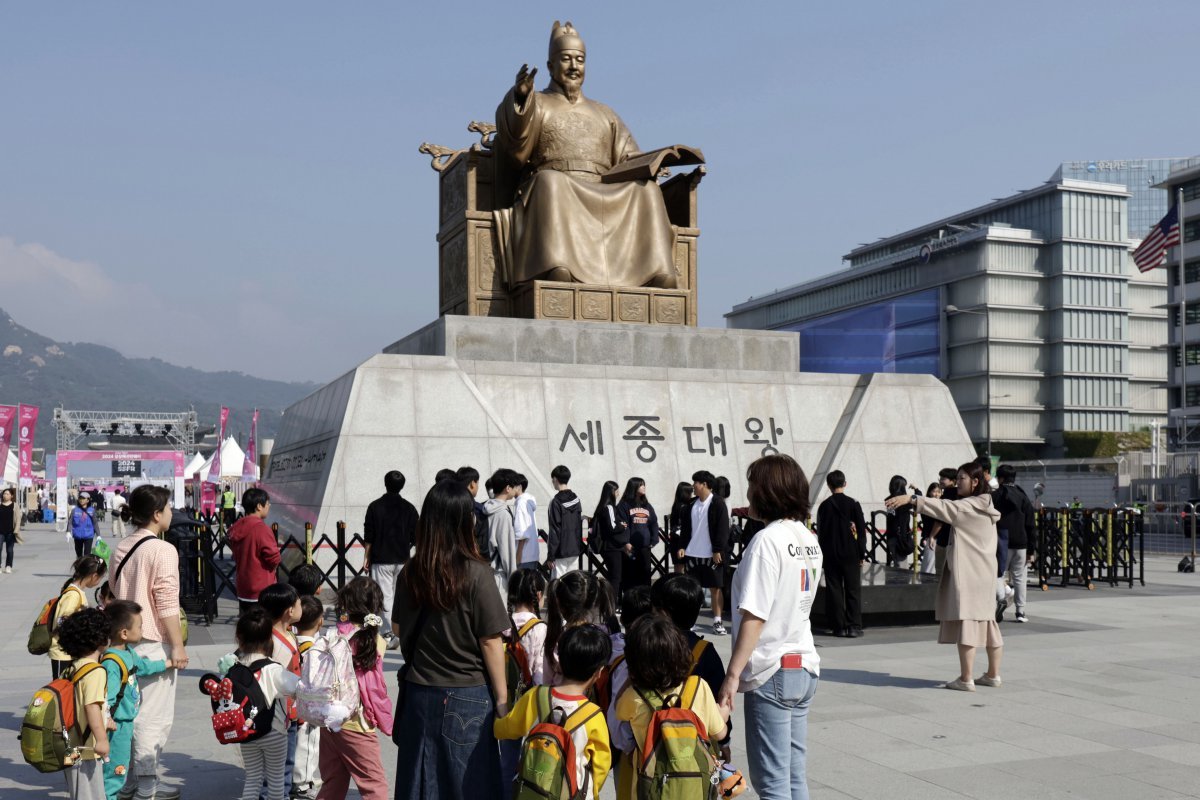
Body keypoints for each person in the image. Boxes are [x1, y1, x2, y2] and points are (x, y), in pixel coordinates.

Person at [492, 21, 679, 289]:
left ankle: (657, 271)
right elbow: (514, 144)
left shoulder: (604, 113)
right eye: (565, 59)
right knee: (549, 182)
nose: (573, 66)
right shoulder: (539, 102)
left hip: (603, 187)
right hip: (558, 184)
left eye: (580, 60)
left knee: (646, 190)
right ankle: (557, 266)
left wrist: (653, 164)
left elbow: (628, 156)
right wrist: (520, 98)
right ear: (550, 66)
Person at [392, 480, 509, 800]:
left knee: (422, 783)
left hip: (418, 693)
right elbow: (490, 640)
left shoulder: (411, 570)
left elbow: (398, 627)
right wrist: (502, 699)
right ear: (463, 520)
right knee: (469, 785)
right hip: (467, 693)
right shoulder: (476, 572)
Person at [715, 455, 822, 800]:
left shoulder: (766, 540)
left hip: (771, 669)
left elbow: (755, 615)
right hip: (803, 664)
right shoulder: (808, 538)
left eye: (752, 486)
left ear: (768, 491)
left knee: (772, 783)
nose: (748, 495)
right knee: (794, 778)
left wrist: (732, 676)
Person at [886, 461, 1003, 692]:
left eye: (962, 478)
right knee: (989, 624)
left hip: (969, 573)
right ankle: (992, 675)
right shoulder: (987, 504)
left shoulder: (967, 506)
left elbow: (943, 508)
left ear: (975, 482)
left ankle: (966, 678)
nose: (957, 482)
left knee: (967, 624)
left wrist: (912, 500)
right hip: (986, 573)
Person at [110, 485, 188, 800]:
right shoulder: (162, 549)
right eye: (168, 508)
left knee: (126, 712)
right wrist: (178, 645)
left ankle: (128, 780)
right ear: (157, 514)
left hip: (122, 642)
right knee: (152, 716)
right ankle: (147, 785)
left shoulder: (121, 546)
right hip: (153, 640)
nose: (171, 513)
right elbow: (166, 602)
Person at [615, 614, 729, 800]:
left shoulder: (634, 697)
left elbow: (618, 710)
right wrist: (722, 713)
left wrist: (632, 676)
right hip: (695, 790)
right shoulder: (698, 687)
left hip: (651, 790)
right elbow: (720, 733)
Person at [494, 624, 613, 799]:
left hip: (532, 791)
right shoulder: (594, 716)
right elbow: (601, 768)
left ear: (560, 661)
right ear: (598, 673)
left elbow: (506, 729)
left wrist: (497, 716)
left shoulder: (535, 696)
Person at [319, 577, 391, 800]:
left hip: (329, 720)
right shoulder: (375, 641)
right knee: (374, 785)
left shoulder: (333, 635)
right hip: (357, 724)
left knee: (334, 782)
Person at [102, 600, 172, 800]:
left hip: (125, 723)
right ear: (124, 633)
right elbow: (108, 696)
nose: (142, 630)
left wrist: (167, 663)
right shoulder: (112, 662)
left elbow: (144, 667)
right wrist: (107, 719)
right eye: (139, 626)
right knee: (114, 773)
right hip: (116, 726)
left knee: (120, 769)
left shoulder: (127, 653)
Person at [230, 607, 301, 800]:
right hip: (274, 732)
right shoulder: (273, 669)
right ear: (270, 639)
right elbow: (299, 687)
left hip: (247, 732)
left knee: (252, 779)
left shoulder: (234, 668)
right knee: (276, 781)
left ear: (239, 638)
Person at [57, 607, 112, 800]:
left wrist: (107, 720)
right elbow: (91, 706)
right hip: (87, 747)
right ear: (100, 640)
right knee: (90, 794)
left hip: (70, 744)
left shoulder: (72, 668)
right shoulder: (95, 671)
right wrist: (102, 738)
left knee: (78, 792)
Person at [362, 470, 419, 649]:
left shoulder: (374, 506)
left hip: (381, 558)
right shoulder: (409, 508)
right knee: (403, 595)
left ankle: (388, 634)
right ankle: (403, 630)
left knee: (384, 596)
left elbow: (369, 535)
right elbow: (416, 535)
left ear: (385, 484)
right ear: (402, 486)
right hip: (403, 558)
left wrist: (366, 556)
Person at [260, 583, 303, 799]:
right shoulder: (277, 643)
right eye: (299, 602)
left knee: (280, 765)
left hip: (285, 713)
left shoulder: (281, 634)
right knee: (281, 766)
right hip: (280, 716)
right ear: (290, 611)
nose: (301, 605)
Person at [677, 470, 732, 636]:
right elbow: (685, 529)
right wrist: (682, 546)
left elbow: (723, 529)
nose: (693, 485)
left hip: (712, 555)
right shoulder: (691, 505)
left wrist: (717, 550)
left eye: (696, 482)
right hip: (693, 553)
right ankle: (691, 621)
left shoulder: (717, 503)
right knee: (693, 589)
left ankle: (717, 621)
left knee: (716, 587)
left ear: (705, 484)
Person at [815, 471, 867, 638]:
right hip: (850, 552)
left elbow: (821, 532)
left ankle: (838, 626)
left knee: (834, 589)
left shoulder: (824, 506)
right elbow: (861, 530)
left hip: (830, 553)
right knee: (852, 589)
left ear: (829, 485)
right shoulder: (853, 503)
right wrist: (861, 553)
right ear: (845, 483)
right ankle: (853, 626)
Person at [544, 570, 616, 685]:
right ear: (594, 600)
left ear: (559, 604)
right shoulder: (602, 637)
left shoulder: (556, 637)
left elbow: (547, 680)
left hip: (556, 699)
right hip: (591, 701)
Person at [292, 595, 325, 800]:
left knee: (296, 743)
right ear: (320, 620)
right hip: (309, 706)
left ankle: (298, 778)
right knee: (308, 744)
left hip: (292, 703)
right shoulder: (316, 649)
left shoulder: (291, 641)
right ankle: (303, 783)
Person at [993, 465, 1036, 623]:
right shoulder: (1022, 496)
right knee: (1020, 578)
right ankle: (1020, 611)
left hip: (1001, 541)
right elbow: (1030, 523)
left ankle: (1000, 603)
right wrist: (1031, 549)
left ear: (1000, 478)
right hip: (1021, 542)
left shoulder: (995, 496)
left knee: (998, 575)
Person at [228, 488, 281, 614]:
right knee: (262, 627)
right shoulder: (261, 529)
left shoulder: (236, 528)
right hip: (263, 589)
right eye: (267, 504)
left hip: (243, 587)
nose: (269, 506)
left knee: (248, 627)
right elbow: (274, 559)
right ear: (259, 506)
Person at [615, 478, 658, 595]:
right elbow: (622, 525)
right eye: (641, 485)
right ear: (633, 487)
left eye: (644, 485)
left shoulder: (647, 505)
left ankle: (645, 600)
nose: (644, 487)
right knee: (630, 575)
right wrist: (626, 542)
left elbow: (653, 522)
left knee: (645, 574)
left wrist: (654, 539)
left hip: (645, 546)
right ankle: (630, 601)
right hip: (630, 547)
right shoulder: (624, 505)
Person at [483, 468, 520, 596]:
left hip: (484, 572)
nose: (516, 490)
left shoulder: (485, 508)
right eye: (515, 486)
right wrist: (513, 582)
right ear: (508, 488)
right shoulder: (503, 514)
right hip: (498, 577)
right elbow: (507, 551)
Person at [546, 465, 585, 580]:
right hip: (575, 549)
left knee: (558, 586)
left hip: (560, 551)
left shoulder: (555, 502)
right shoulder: (576, 500)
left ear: (555, 479)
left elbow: (555, 530)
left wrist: (551, 556)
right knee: (573, 584)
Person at [592, 480, 625, 589]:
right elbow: (613, 527)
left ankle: (609, 603)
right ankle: (612, 604)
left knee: (612, 576)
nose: (618, 493)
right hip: (611, 547)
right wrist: (622, 526)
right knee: (615, 578)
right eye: (616, 491)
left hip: (607, 547)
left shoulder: (602, 507)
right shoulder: (609, 507)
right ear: (611, 492)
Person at [883, 475, 917, 568]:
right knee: (902, 567)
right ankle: (901, 583)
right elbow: (919, 499)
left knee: (897, 564)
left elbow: (892, 517)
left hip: (891, 536)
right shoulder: (902, 503)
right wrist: (916, 489)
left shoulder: (889, 500)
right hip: (901, 538)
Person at [512, 474, 540, 570]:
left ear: (519, 487)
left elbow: (522, 533)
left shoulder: (521, 503)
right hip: (532, 554)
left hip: (524, 556)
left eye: (512, 486)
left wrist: (518, 556)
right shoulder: (528, 501)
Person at [665, 482, 693, 574]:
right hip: (681, 541)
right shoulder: (685, 507)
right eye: (690, 492)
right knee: (682, 569)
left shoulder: (676, 506)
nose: (691, 494)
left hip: (675, 541)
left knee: (678, 568)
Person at [919, 483, 943, 574]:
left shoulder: (941, 504)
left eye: (939, 492)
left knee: (930, 565)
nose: (937, 494)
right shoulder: (927, 505)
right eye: (934, 491)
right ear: (929, 492)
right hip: (931, 538)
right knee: (929, 565)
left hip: (936, 538)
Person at [71, 491, 98, 558]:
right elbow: (70, 521)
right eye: (80, 498)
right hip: (77, 535)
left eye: (83, 498)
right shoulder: (75, 510)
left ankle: (85, 567)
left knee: (87, 554)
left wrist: (98, 535)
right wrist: (68, 531)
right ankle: (79, 567)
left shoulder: (92, 510)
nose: (81, 500)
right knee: (79, 554)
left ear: (88, 500)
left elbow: (95, 523)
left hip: (88, 535)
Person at [1, 486, 20, 572]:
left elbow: (18, 518)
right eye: (4, 493)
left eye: (7, 494)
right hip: (0, 531)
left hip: (10, 531)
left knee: (9, 550)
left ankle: (8, 566)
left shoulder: (15, 505)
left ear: (11, 496)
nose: (5, 495)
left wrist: (16, 529)